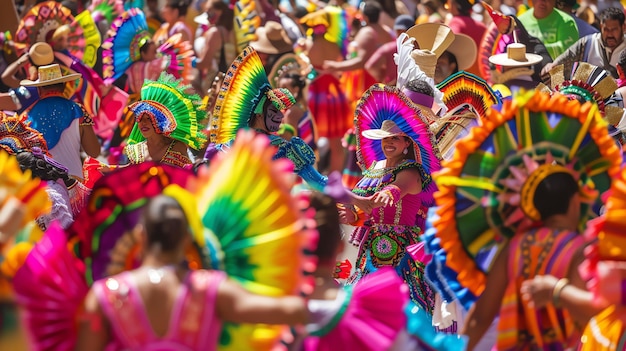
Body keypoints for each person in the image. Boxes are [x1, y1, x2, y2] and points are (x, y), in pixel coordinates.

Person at [420, 91, 622, 350]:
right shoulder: (580, 250)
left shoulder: (514, 247)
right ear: (575, 202)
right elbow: (594, 314)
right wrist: (557, 292)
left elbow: (481, 317)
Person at [75, 194, 310, 350]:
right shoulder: (210, 290)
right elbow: (287, 311)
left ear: (141, 236)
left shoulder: (104, 296)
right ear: (187, 240)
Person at [342, 83, 441, 316]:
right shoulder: (376, 168)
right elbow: (366, 205)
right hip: (372, 247)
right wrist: (353, 214)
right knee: (366, 309)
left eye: (395, 138)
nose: (388, 143)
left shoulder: (413, 170)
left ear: (407, 143)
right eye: (385, 138)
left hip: (403, 251)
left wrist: (383, 195)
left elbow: (394, 190)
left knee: (400, 310)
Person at [209, 46, 328, 191]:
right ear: (259, 112)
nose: (280, 115)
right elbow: (319, 183)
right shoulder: (279, 147)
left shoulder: (233, 144)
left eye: (281, 111)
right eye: (274, 111)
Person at [20, 63, 100, 181]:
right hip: (74, 182)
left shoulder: (27, 115)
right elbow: (94, 152)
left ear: (39, 89)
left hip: (44, 185)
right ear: (63, 87)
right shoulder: (77, 110)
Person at [299, 6, 350, 174]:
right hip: (335, 91)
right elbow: (339, 65)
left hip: (318, 91)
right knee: (336, 141)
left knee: (315, 135)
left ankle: (317, 175)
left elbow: (300, 55)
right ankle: (336, 177)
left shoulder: (308, 45)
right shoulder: (334, 44)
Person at [124, 73, 206, 168]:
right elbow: (128, 171)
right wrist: (107, 167)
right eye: (140, 118)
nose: (143, 123)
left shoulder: (176, 147)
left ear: (159, 121)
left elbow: (185, 175)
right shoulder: (137, 149)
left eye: (148, 118)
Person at [545, 7, 626, 78]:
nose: (610, 34)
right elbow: (563, 62)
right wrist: (551, 66)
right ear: (601, 27)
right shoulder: (587, 43)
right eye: (606, 29)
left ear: (623, 27)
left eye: (614, 29)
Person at [193, 0, 235, 94]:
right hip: (228, 82)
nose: (207, 13)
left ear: (220, 11)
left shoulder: (214, 32)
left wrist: (188, 62)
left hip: (214, 84)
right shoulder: (229, 31)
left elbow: (205, 63)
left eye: (209, 10)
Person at [365, 14, 416, 85]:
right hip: (414, 89)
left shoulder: (388, 48)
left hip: (392, 90)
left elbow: (370, 66)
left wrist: (381, 78)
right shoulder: (419, 48)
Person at [445, 0, 486, 76]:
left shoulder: (456, 22)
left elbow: (450, 43)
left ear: (455, 5)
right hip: (481, 78)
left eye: (448, 3)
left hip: (462, 78)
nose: (447, 7)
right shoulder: (482, 26)